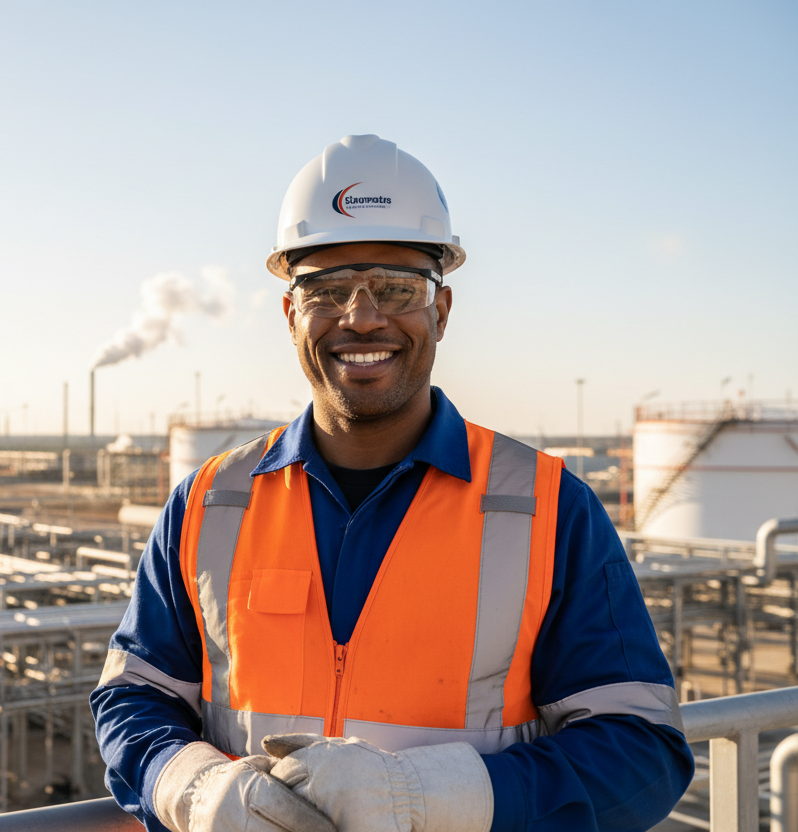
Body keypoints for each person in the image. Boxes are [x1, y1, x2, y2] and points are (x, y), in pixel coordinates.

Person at [90, 134, 693, 832]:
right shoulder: (208, 504)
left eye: (398, 288)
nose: (363, 317)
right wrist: (194, 792)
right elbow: (132, 697)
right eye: (327, 290)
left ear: (440, 311)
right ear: (291, 317)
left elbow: (640, 750)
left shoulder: (548, 509)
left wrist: (423, 798)